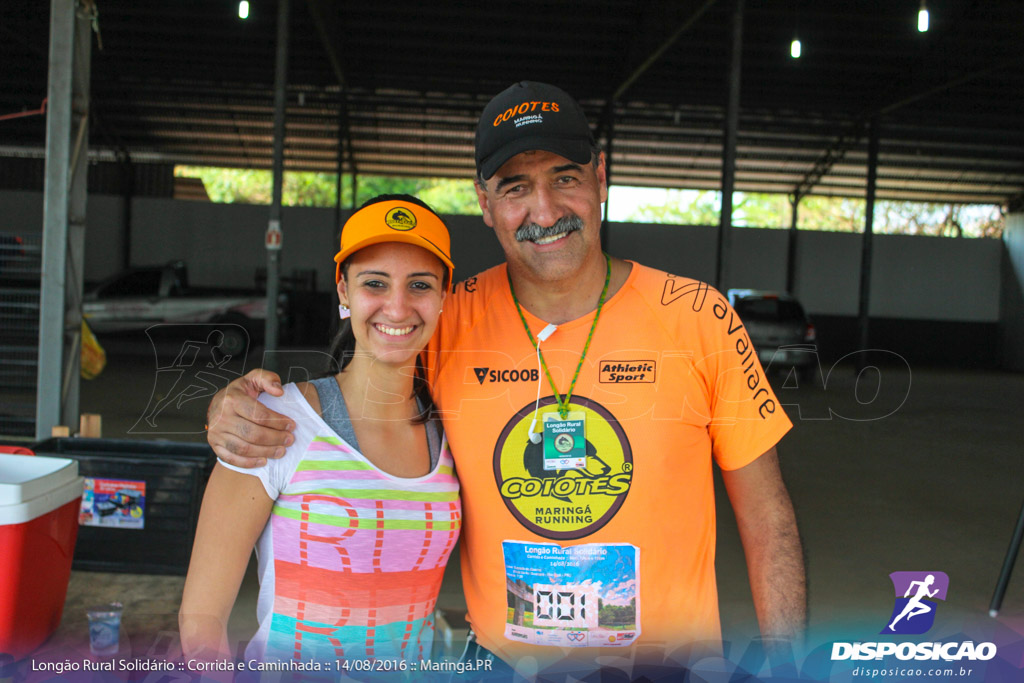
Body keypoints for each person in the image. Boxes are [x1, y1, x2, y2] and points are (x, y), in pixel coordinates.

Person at [206, 82, 805, 677]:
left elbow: (768, 517)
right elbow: (361, 372)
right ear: (486, 204)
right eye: (516, 188)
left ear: (600, 178)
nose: (544, 212)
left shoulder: (697, 315)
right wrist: (239, 403)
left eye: (564, 178)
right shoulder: (449, 314)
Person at [179, 195, 461, 667]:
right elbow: (201, 619)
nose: (397, 306)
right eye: (375, 283)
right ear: (344, 292)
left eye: (420, 284)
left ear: (443, 297)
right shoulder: (272, 422)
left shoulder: (452, 434)